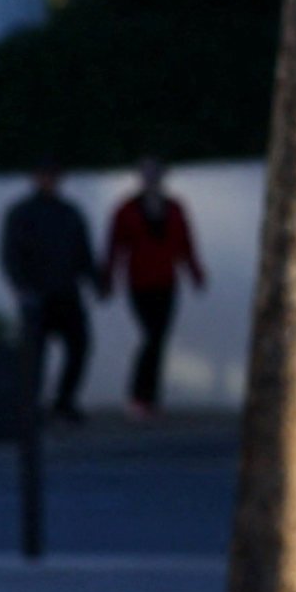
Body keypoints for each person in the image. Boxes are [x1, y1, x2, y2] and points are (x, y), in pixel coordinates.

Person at [100, 160, 206, 417]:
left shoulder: (174, 208)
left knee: (158, 338)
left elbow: (185, 243)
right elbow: (115, 247)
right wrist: (107, 279)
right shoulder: (126, 210)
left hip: (166, 282)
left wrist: (195, 274)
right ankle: (139, 395)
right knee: (152, 335)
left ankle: (149, 397)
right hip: (139, 283)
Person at [0, 171, 96, 425]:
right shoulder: (22, 213)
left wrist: (95, 280)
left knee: (79, 346)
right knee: (35, 355)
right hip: (37, 294)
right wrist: (21, 286)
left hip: (65, 292)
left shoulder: (68, 212)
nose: (49, 181)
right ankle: (32, 405)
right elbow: (11, 253)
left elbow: (82, 251)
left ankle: (64, 401)